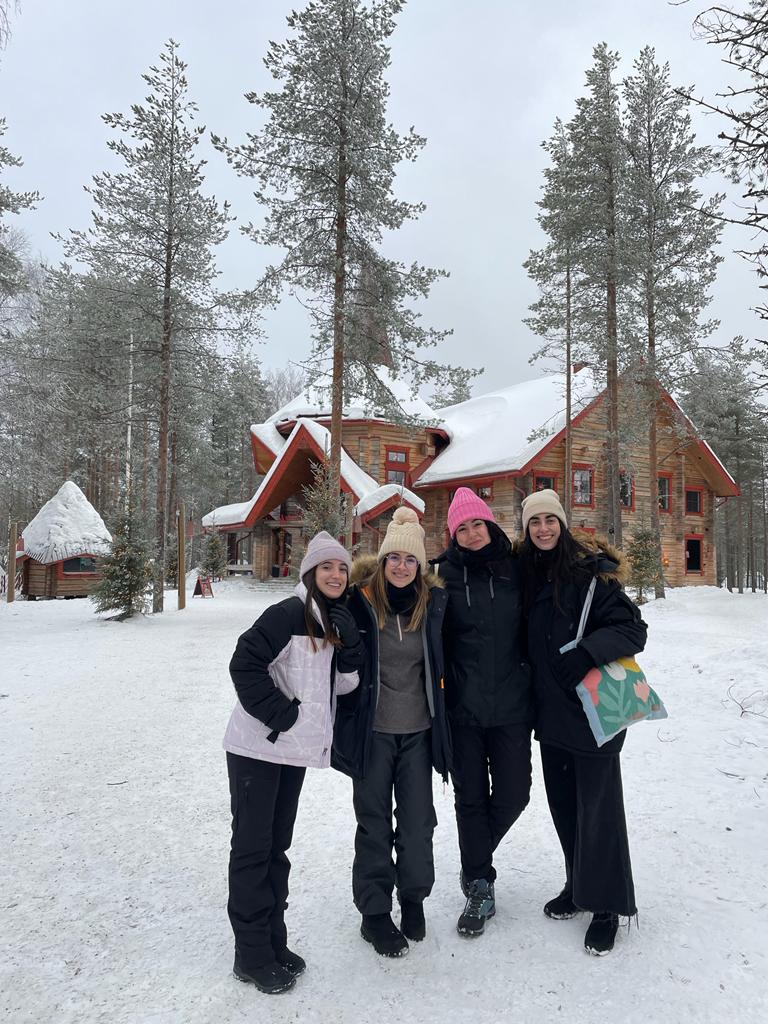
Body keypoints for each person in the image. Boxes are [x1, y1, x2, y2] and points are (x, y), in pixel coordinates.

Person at [223, 531, 364, 993]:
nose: (336, 575)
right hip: (257, 750)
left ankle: (273, 940)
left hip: (291, 753)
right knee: (252, 850)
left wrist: (351, 652)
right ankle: (251, 954)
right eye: (327, 567)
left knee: (275, 849)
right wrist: (281, 715)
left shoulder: (327, 620)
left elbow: (336, 690)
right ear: (309, 573)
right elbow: (243, 663)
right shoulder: (286, 615)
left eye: (342, 568)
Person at [518, 489, 647, 956]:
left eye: (551, 520)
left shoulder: (593, 575)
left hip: (595, 713)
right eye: (535, 523)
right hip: (551, 718)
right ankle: (578, 885)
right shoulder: (527, 575)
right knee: (565, 807)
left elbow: (635, 629)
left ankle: (607, 906)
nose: (544, 529)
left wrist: (589, 652)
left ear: (564, 523)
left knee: (599, 812)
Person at [332, 507, 451, 957]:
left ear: (421, 565)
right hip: (373, 733)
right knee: (374, 823)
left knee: (419, 824)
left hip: (420, 732)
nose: (401, 566)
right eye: (393, 558)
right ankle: (375, 913)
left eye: (410, 560)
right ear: (381, 562)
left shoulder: (435, 605)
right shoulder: (358, 602)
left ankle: (414, 900)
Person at [431, 487, 534, 937]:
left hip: (513, 706)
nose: (472, 534)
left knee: (515, 793)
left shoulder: (517, 569)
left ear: (491, 525)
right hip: (462, 710)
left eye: (478, 524)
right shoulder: (441, 578)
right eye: (462, 527)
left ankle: (474, 859)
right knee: (469, 800)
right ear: (453, 534)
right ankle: (479, 886)